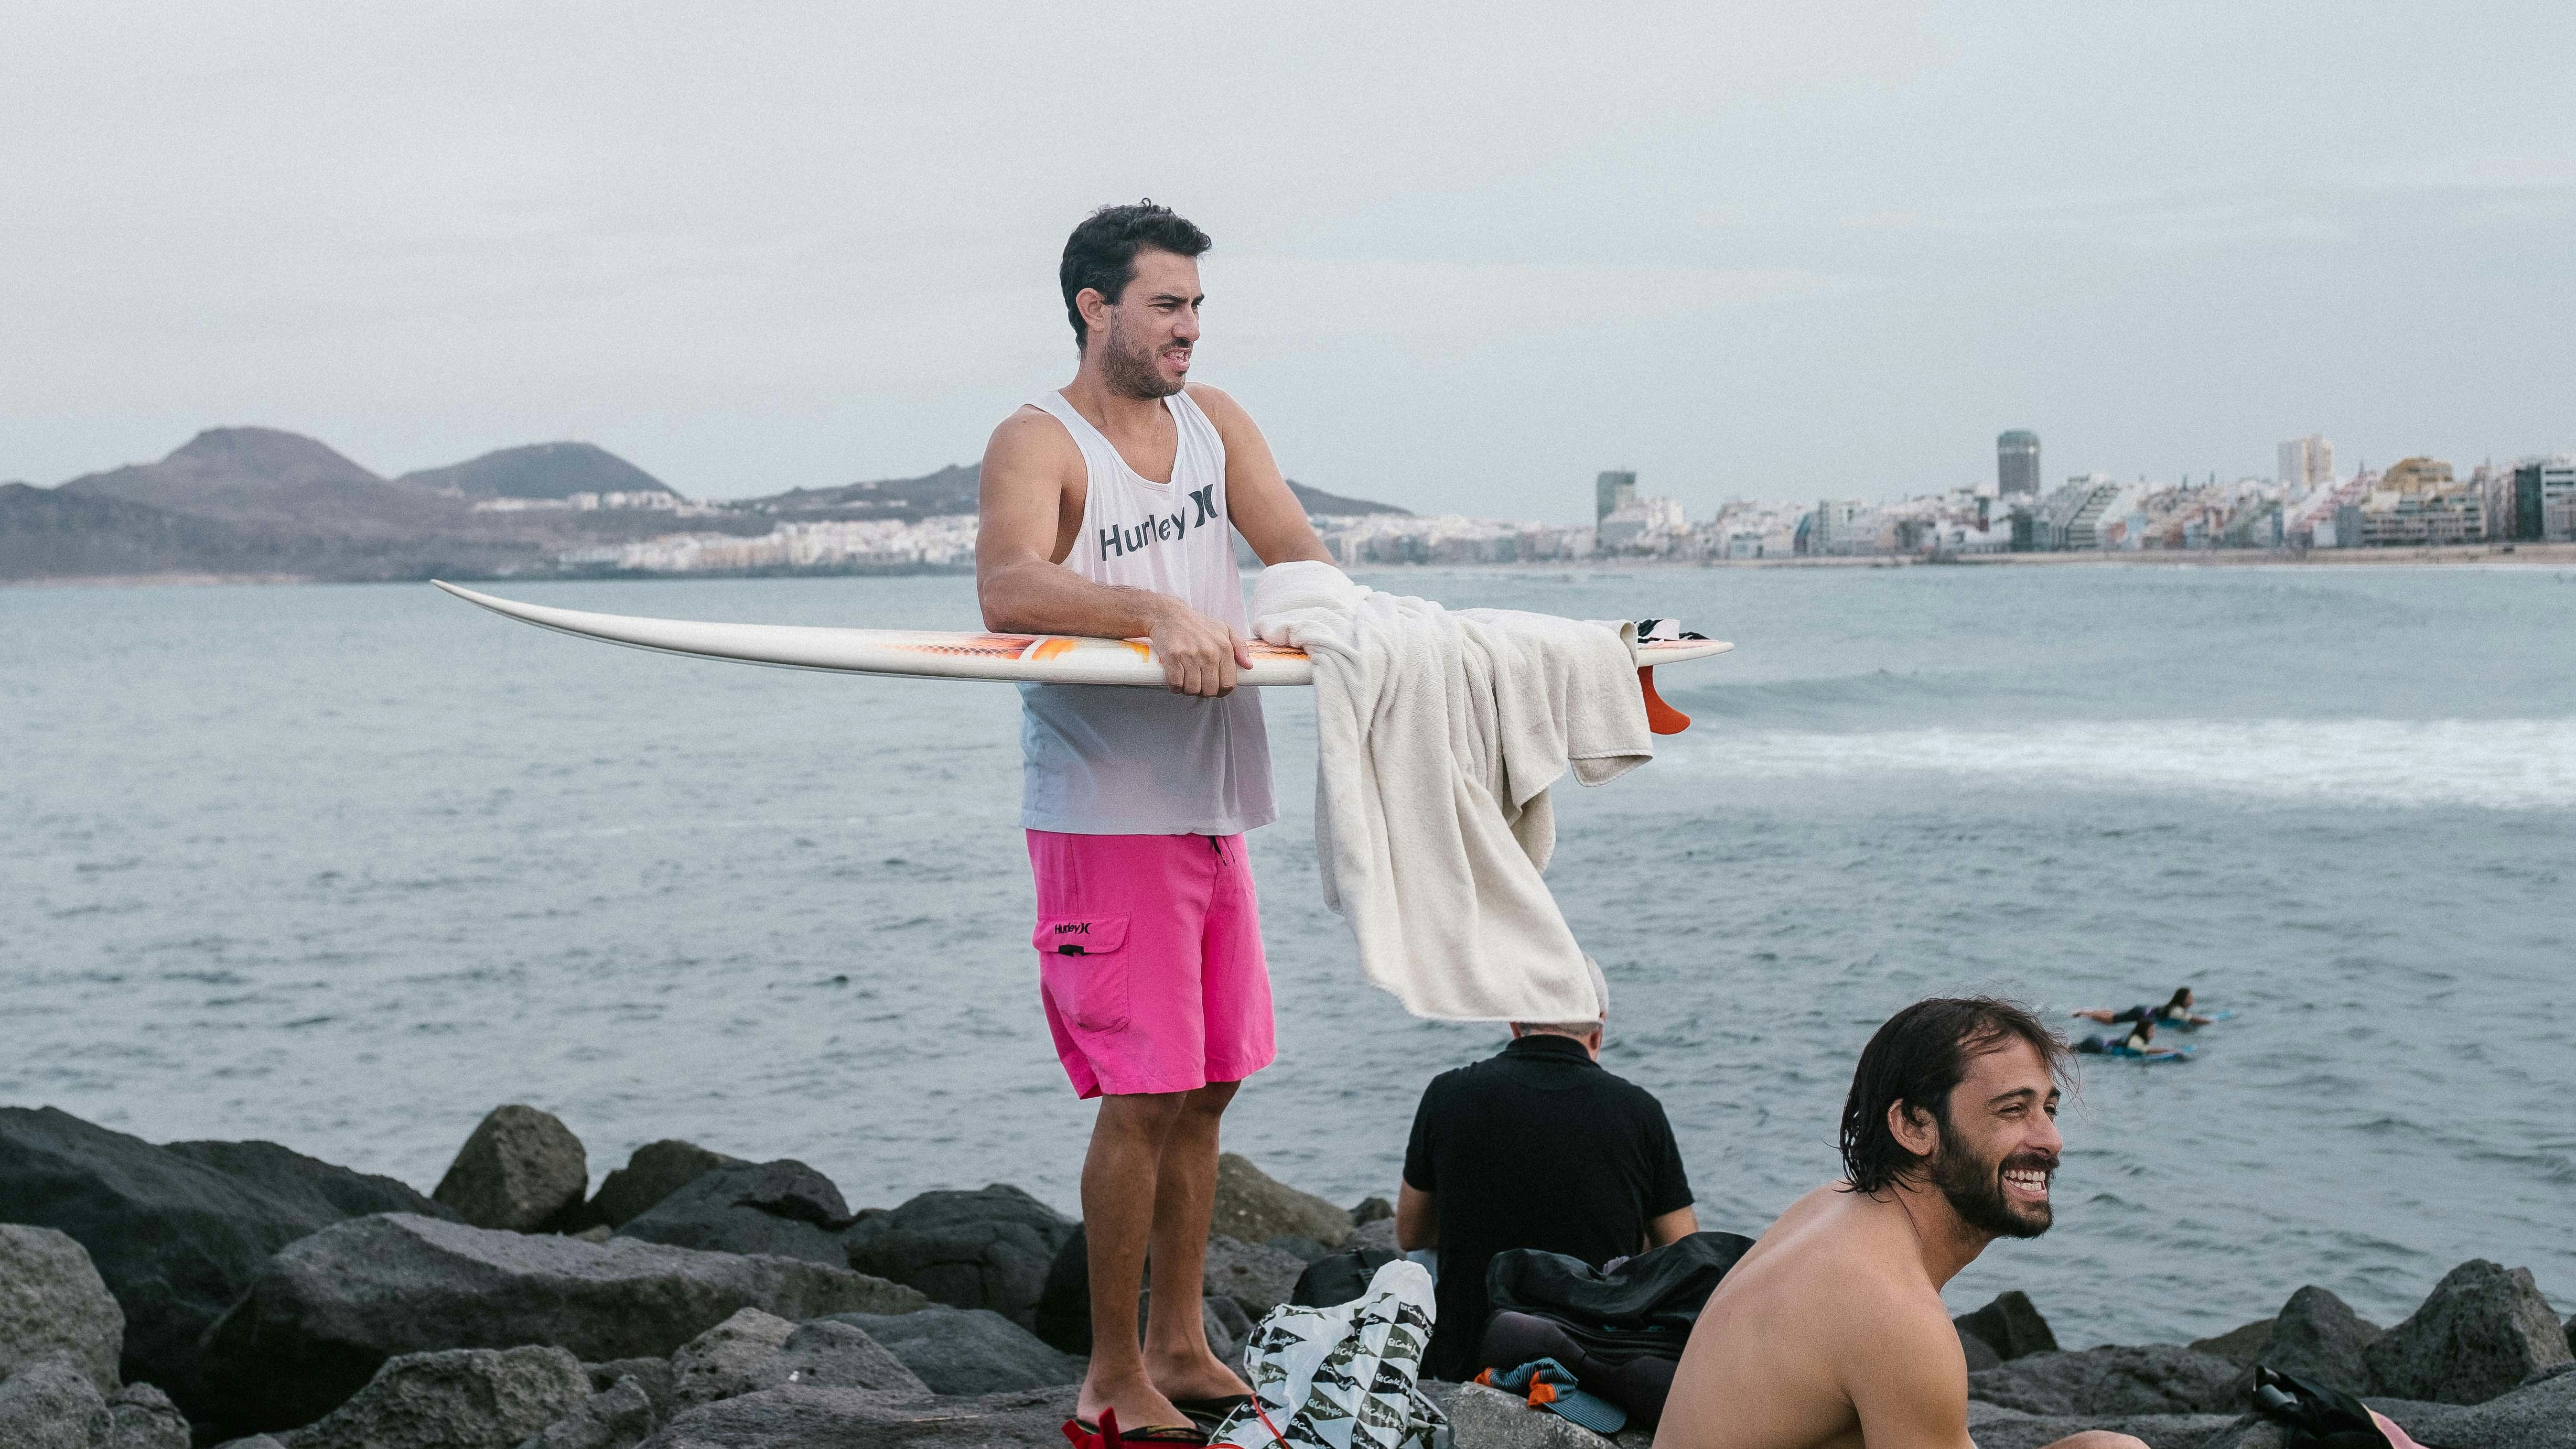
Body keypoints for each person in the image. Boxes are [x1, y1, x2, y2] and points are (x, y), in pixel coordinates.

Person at [975, 201, 1337, 1440]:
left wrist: (1354, 630)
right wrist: (1146, 611)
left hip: (1209, 800)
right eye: (1165, 304)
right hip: (1102, 812)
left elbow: (1293, 549)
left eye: (1195, 306)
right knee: (1139, 1093)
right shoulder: (1040, 437)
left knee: (1209, 1083)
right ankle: (1107, 1372)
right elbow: (1009, 582)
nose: (1187, 327)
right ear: (1094, 305)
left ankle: (1181, 1341)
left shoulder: (1213, 423)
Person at [1656, 998, 2146, 1449]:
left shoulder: (1831, 1206)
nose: (2051, 1139)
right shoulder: (1892, 1311)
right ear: (1913, 1127)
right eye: (2013, 1110)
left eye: (2049, 1109)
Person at [1395, 958, 1700, 1381]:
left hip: (1469, 1353)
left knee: (1423, 1256)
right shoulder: (1639, 1111)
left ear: (1515, 1025)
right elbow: (1685, 1252)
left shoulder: (1448, 1091)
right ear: (1598, 1030)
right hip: (1587, 1355)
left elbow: (1411, 1234)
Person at [2073, 987, 2211, 1028]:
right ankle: (2085, 1014)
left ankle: (2089, 1013)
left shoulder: (2175, 1008)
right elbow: (2194, 1019)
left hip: (2144, 1011)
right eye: (2190, 998)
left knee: (2116, 1016)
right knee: (2113, 1021)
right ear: (2183, 999)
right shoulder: (2177, 1010)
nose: (2192, 1000)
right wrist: (2211, 1021)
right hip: (2141, 1014)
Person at [2075, 1015, 2180, 1058]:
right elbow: (2149, 1051)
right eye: (2151, 1030)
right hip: (2095, 1046)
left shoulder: (2138, 1039)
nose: (2153, 1033)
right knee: (2069, 1051)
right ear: (2143, 1031)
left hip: (2098, 1043)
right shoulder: (2135, 1040)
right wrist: (2170, 1051)